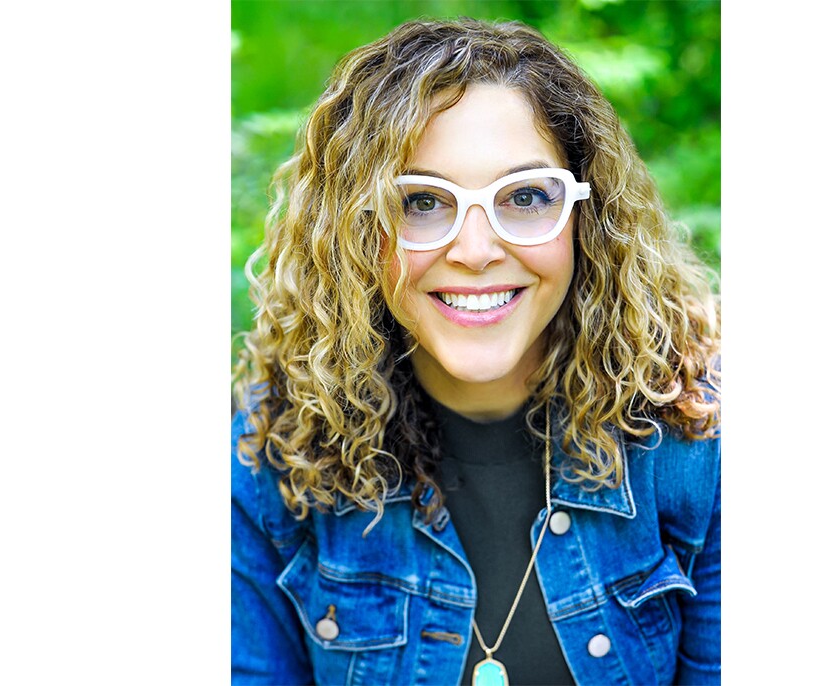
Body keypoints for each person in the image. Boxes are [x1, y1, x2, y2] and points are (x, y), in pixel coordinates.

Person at [231, 17, 720, 686]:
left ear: (587, 215)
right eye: (423, 202)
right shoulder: (268, 454)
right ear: (353, 229)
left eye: (523, 198)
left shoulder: (699, 435)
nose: (476, 249)